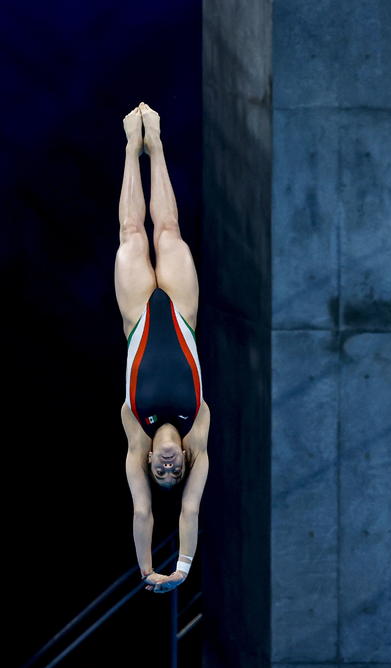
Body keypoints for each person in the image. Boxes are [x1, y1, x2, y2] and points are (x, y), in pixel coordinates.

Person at [117, 103, 210, 593]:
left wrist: (146, 569)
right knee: (169, 231)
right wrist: (182, 569)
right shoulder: (199, 432)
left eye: (161, 472)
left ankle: (133, 148)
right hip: (181, 310)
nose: (168, 468)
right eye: (174, 472)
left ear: (150, 461)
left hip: (137, 315)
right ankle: (158, 144)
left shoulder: (135, 435)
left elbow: (140, 510)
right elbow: (189, 508)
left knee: (133, 234)